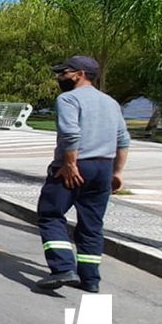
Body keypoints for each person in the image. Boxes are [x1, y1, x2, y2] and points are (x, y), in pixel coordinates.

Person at [35, 56, 130, 293]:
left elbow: (70, 133)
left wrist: (70, 164)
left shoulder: (68, 98)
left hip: (76, 166)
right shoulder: (111, 103)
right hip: (103, 168)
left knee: (50, 214)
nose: (59, 77)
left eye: (64, 73)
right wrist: (117, 172)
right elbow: (123, 139)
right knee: (91, 225)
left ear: (80, 73)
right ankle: (90, 280)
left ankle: (63, 268)